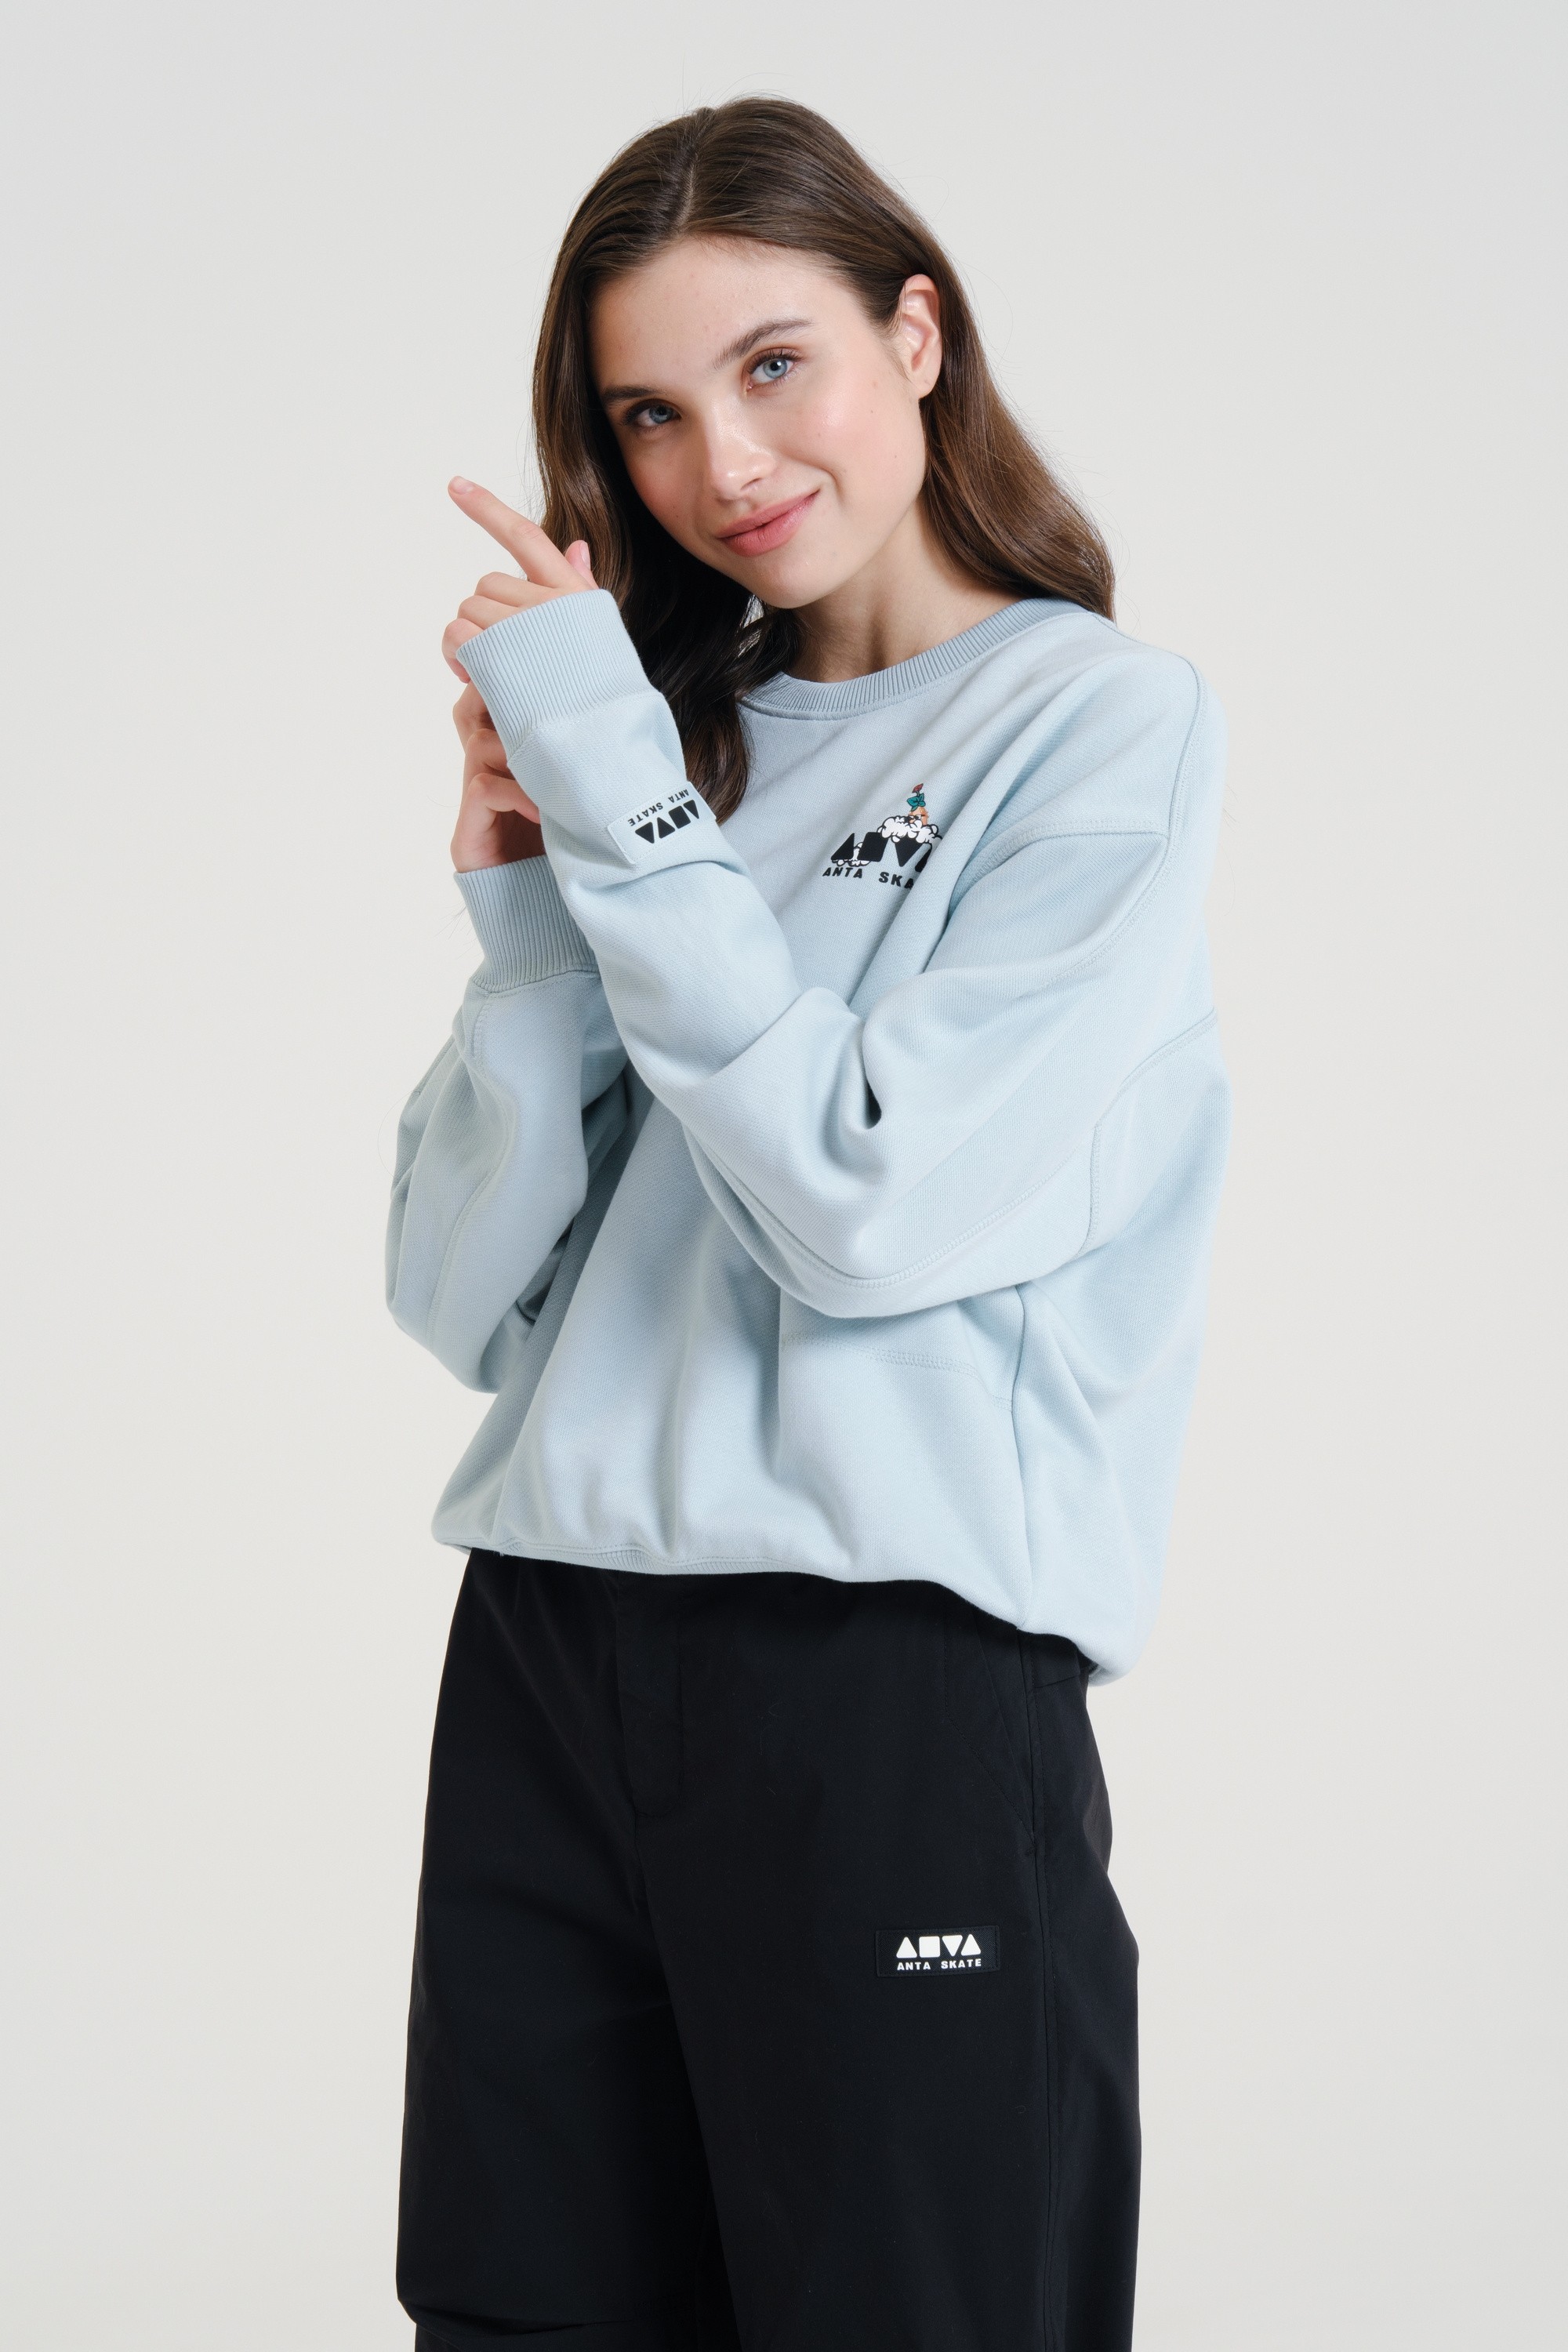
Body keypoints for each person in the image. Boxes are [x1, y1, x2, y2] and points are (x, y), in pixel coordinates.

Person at [386, 96, 1230, 2352]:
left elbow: (865, 1211)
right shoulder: (672, 746)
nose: (724, 466)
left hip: (882, 1669)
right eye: (649, 414)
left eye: (776, 365)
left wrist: (623, 796)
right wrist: (529, 915)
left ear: (916, 335)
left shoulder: (1099, 730)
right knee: (515, 2319)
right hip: (551, 1647)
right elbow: (463, 1302)